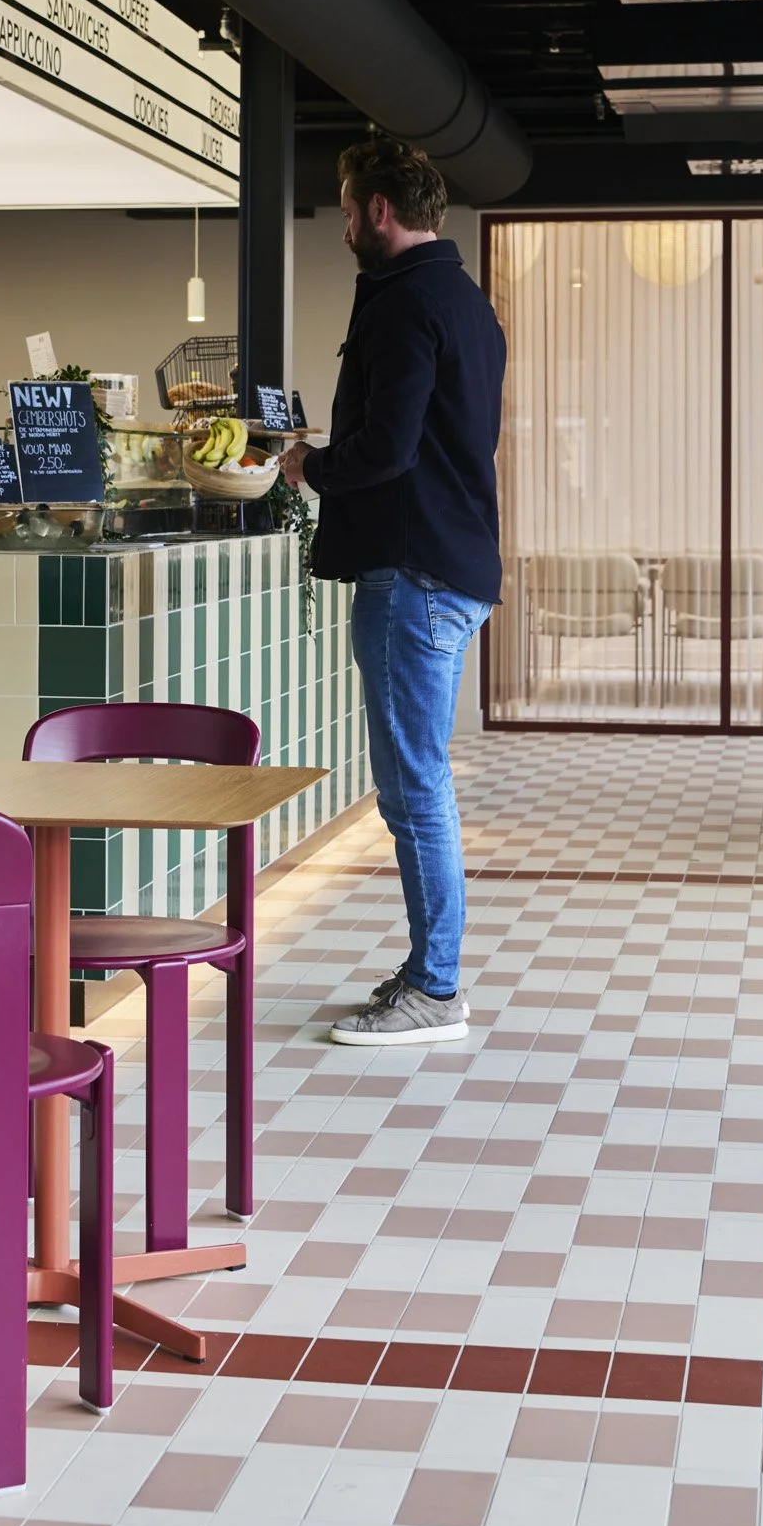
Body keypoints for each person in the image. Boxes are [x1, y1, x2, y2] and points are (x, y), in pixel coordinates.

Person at [281, 137, 506, 1046]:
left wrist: (310, 464)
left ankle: (435, 989)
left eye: (343, 210)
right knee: (420, 784)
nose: (341, 228)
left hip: (411, 573)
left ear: (378, 210)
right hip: (454, 564)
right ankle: (429, 971)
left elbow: (389, 446)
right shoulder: (465, 302)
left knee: (413, 790)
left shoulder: (403, 302)